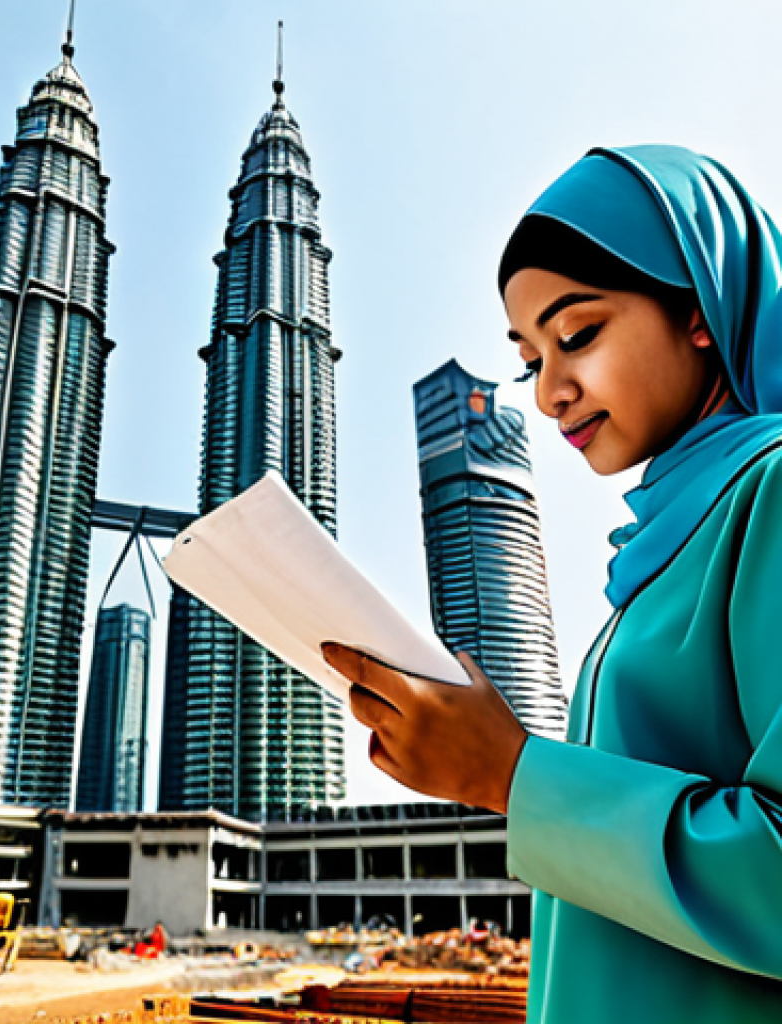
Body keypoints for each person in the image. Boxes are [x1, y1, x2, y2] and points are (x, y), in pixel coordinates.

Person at [323, 145, 782, 1022]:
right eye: (531, 360)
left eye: (577, 336)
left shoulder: (773, 496)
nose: (548, 395)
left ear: (697, 309)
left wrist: (516, 776)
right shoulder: (663, 548)